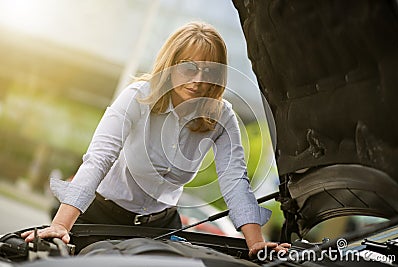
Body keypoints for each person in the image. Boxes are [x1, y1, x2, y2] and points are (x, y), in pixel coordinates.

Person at [22, 21, 290, 257]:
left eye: (208, 71)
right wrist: (60, 226)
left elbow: (235, 183)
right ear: (171, 64)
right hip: (100, 215)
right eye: (189, 67)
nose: (198, 79)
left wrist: (256, 244)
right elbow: (98, 159)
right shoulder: (137, 96)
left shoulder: (222, 117)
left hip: (161, 227)